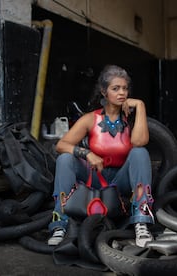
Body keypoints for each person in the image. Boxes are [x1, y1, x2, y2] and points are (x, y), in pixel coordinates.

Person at [47, 64, 154, 247]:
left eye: (125, 88)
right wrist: (86, 153)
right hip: (93, 177)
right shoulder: (91, 118)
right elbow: (61, 145)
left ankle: (141, 222)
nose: (122, 93)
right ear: (104, 92)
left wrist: (141, 106)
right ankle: (60, 224)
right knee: (65, 158)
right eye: (115, 88)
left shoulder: (132, 119)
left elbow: (139, 142)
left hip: (120, 181)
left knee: (140, 153)